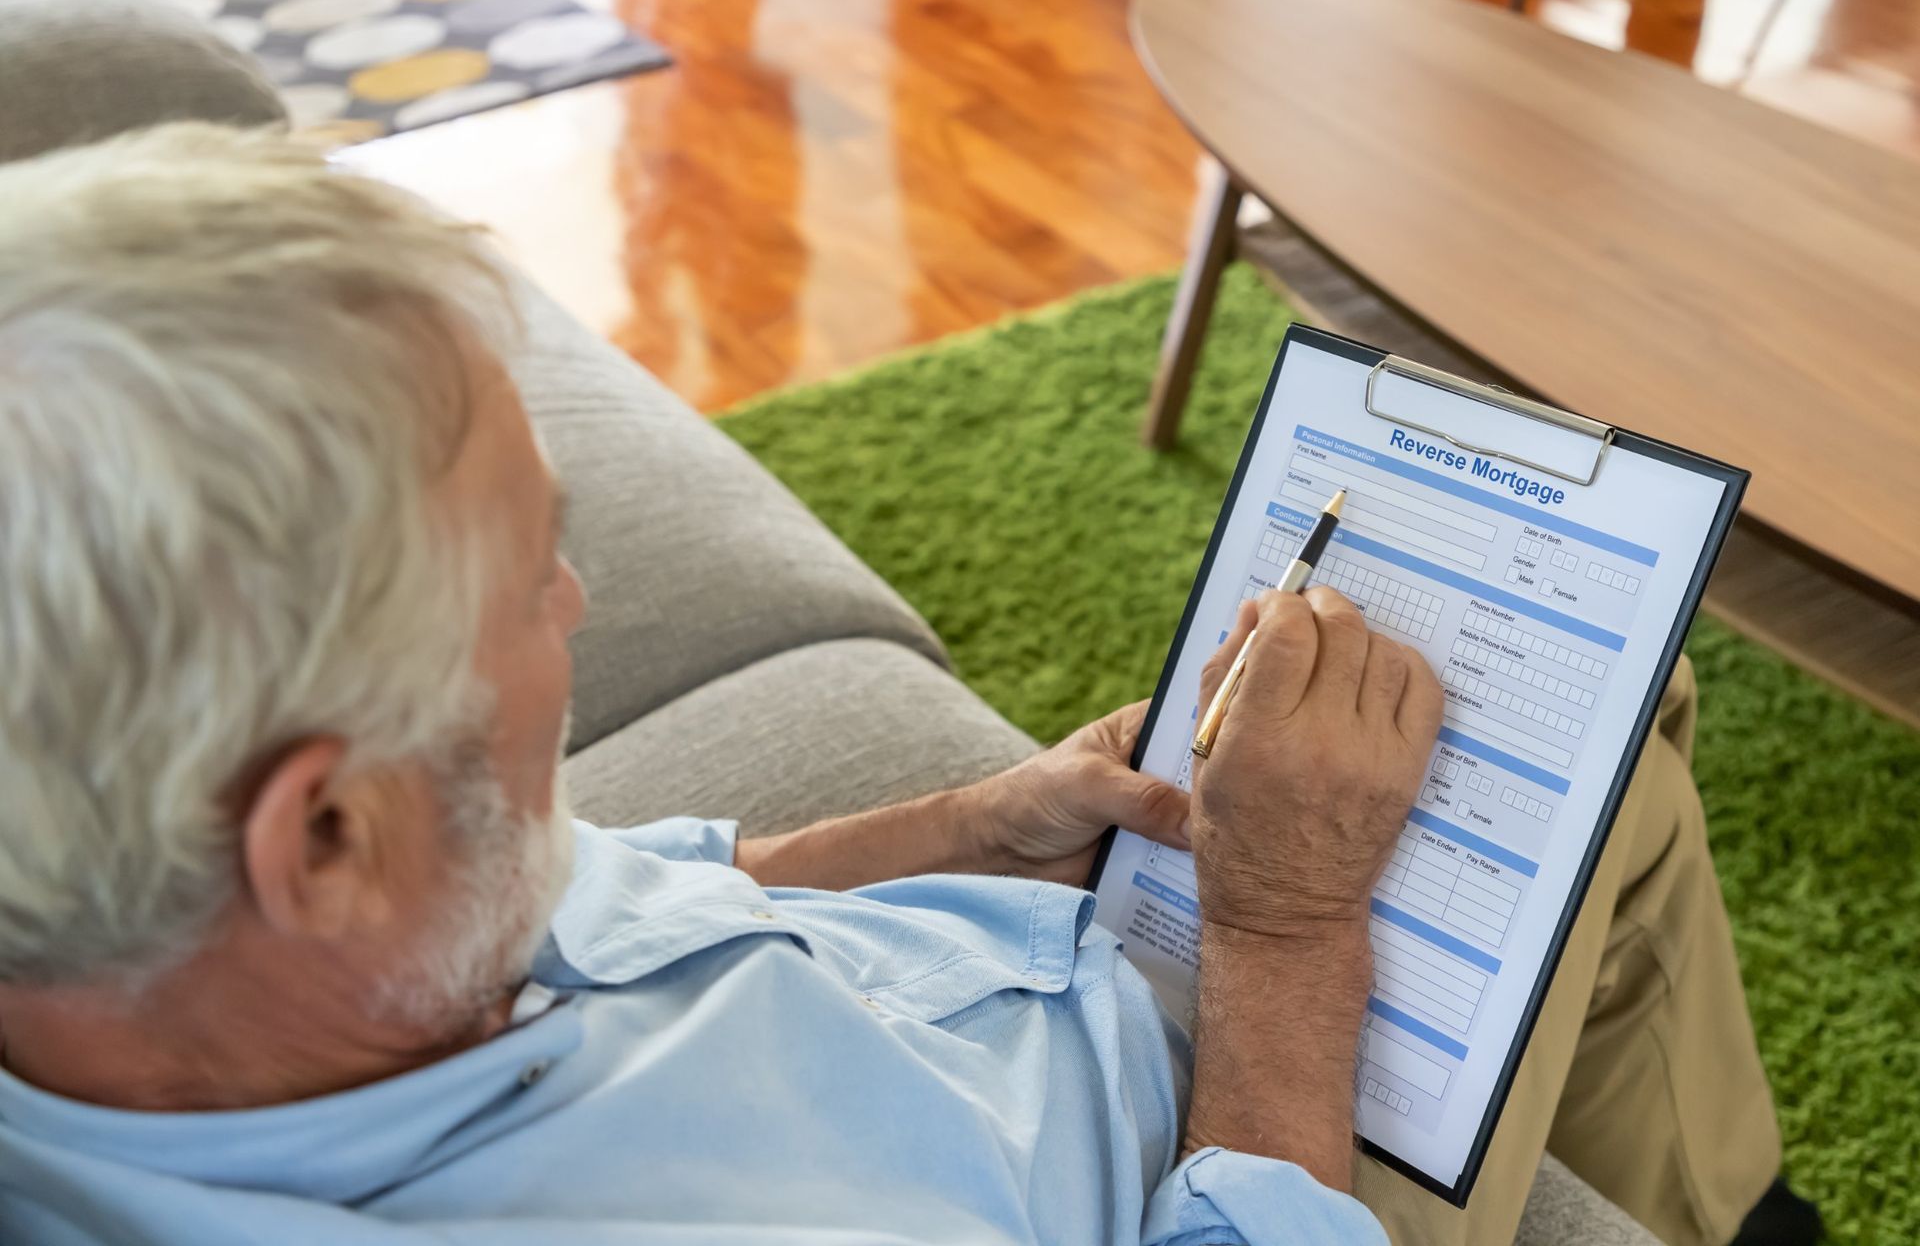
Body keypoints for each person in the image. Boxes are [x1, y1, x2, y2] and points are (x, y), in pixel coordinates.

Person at [0, 124, 1813, 1246]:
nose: (571, 596)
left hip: (1049, 989)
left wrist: (969, 824)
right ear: (321, 833)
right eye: (520, 586)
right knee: (1604, 759)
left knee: (1582, 736)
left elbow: (621, 901)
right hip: (1242, 1162)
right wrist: (1280, 933)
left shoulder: (271, 951)